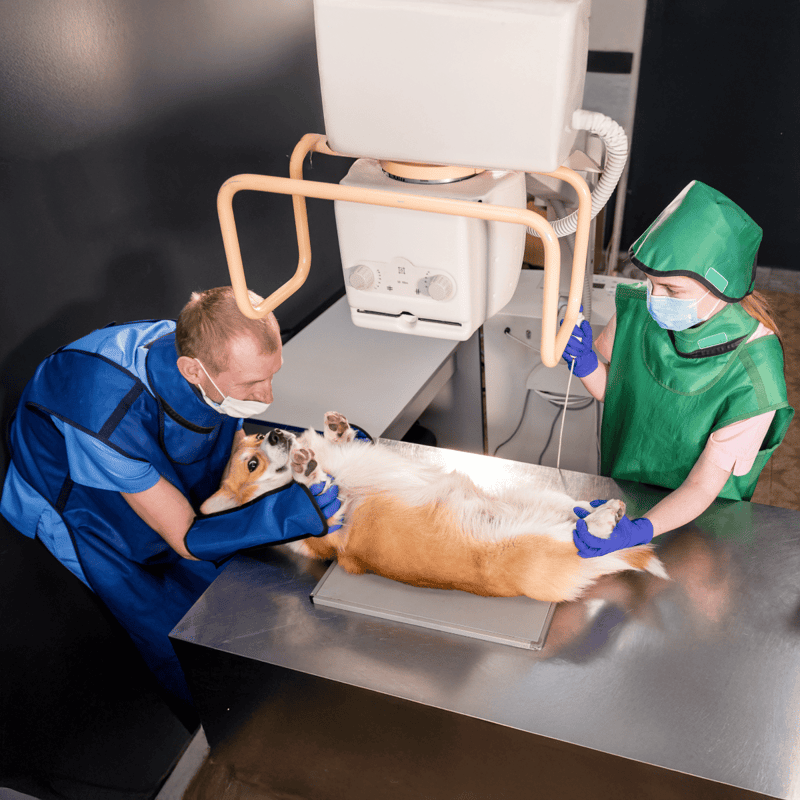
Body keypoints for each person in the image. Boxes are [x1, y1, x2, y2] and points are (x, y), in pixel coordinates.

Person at [0, 286, 342, 723]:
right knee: (169, 621)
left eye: (271, 374)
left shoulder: (203, 353)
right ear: (193, 371)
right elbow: (183, 536)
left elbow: (226, 429)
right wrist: (291, 512)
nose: (266, 397)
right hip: (75, 494)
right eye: (253, 384)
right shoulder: (106, 416)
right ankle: (220, 732)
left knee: (228, 568)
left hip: (139, 449)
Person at [562, 181, 794, 558]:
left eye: (671, 290)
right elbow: (617, 392)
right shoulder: (640, 309)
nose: (654, 298)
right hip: (627, 486)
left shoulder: (756, 374)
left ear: (721, 287)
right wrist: (587, 362)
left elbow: (704, 486)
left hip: (703, 521)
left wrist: (640, 530)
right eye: (650, 283)